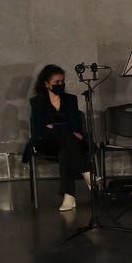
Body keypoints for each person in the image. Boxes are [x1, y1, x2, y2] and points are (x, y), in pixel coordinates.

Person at [28, 64, 93, 212]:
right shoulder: (37, 102)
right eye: (56, 82)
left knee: (65, 151)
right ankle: (86, 171)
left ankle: (69, 196)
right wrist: (64, 128)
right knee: (66, 136)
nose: (60, 85)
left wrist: (56, 126)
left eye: (62, 81)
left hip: (68, 143)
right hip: (46, 141)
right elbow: (41, 127)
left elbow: (75, 124)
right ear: (46, 84)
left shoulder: (70, 99)